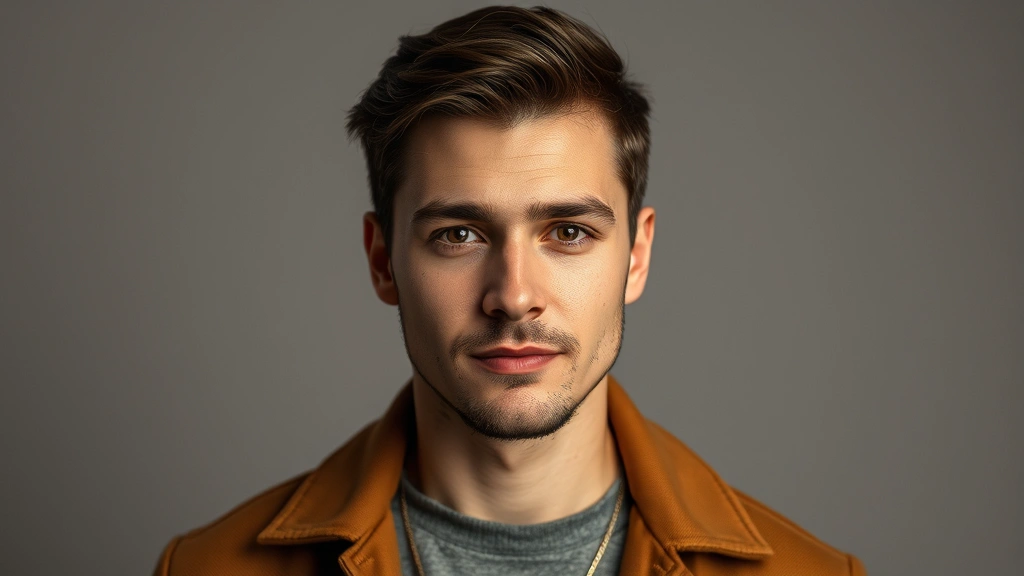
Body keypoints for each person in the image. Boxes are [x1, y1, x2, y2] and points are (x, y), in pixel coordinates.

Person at [153, 6, 866, 575]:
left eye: (568, 232)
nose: (514, 295)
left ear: (637, 255)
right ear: (382, 261)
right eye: (459, 235)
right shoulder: (208, 569)